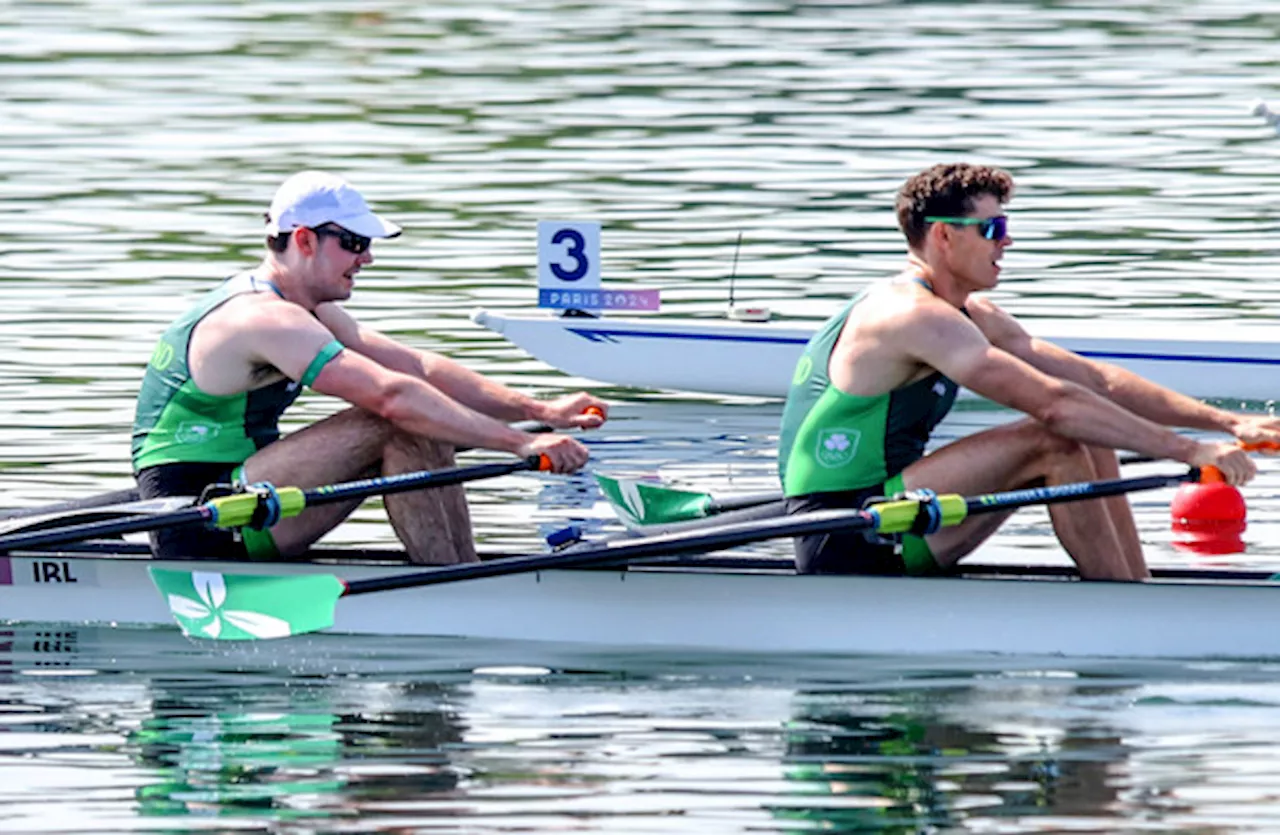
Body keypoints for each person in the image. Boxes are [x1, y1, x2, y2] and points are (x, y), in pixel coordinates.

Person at [777, 162, 1280, 581]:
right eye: (992, 228)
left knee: (1092, 418)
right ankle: (1127, 615)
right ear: (945, 236)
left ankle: (1133, 588)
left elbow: (1093, 383)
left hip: (894, 509)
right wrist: (1189, 450)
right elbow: (1052, 405)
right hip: (848, 530)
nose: (1007, 240)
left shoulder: (969, 314)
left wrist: (1229, 424)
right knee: (1056, 438)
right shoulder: (910, 314)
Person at [132, 170, 605, 564]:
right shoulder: (263, 317)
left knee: (420, 411)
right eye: (355, 242)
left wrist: (543, 409)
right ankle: (454, 588)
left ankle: (460, 570)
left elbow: (417, 368)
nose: (367, 258)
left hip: (251, 499)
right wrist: (521, 442)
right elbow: (390, 397)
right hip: (200, 518)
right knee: (393, 417)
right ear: (305, 240)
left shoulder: (308, 310)